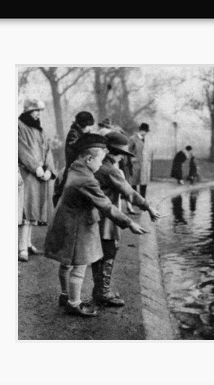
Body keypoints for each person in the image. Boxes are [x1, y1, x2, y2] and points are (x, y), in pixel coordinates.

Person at [44, 134, 148, 317]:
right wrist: (130, 223)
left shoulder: (71, 169)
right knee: (80, 265)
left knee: (66, 263)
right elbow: (106, 206)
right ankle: (74, 304)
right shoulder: (86, 179)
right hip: (77, 227)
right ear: (89, 158)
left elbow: (56, 194)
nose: (101, 165)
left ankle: (65, 295)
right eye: (100, 160)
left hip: (63, 222)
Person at [92, 131, 161, 307]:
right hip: (107, 219)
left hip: (95, 216)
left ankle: (98, 290)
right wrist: (148, 207)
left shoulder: (98, 166)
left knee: (98, 254)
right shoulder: (111, 170)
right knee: (109, 252)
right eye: (122, 155)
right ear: (116, 153)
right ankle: (103, 293)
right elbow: (129, 193)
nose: (123, 159)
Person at [18, 98, 57, 262]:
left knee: (33, 210)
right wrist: (36, 167)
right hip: (27, 173)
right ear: (27, 111)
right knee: (25, 210)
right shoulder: (18, 126)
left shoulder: (39, 128)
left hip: (40, 174)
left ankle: (27, 243)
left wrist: (49, 169)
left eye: (39, 111)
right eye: (35, 110)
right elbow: (22, 149)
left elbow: (47, 149)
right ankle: (21, 247)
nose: (38, 113)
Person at [52, 111, 95, 207]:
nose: (90, 128)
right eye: (88, 125)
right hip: (73, 167)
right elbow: (75, 148)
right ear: (83, 124)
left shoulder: (79, 133)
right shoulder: (73, 133)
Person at [129, 122, 153, 198]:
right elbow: (129, 151)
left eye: (146, 132)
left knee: (144, 182)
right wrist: (133, 158)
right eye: (145, 131)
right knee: (134, 181)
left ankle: (142, 199)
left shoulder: (146, 139)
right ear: (141, 130)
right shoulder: (133, 138)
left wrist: (149, 159)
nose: (145, 133)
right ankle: (135, 199)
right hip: (136, 163)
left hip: (145, 164)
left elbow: (149, 150)